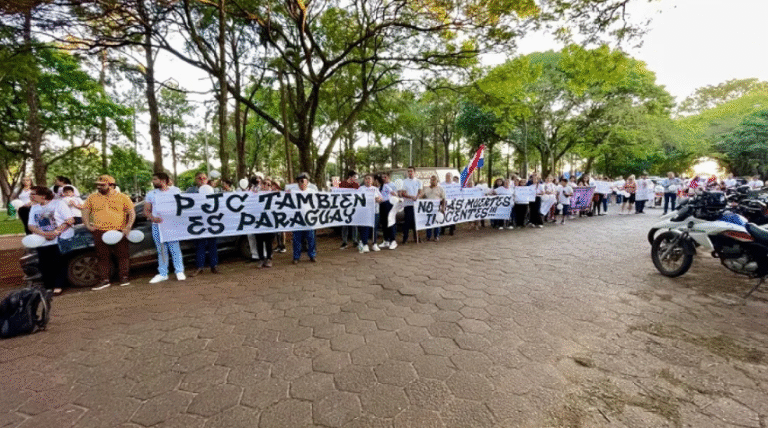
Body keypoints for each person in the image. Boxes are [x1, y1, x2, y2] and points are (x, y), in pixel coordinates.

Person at [82, 175, 136, 290]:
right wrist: (88, 225)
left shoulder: (123, 197)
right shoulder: (92, 197)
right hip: (100, 231)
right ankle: (104, 280)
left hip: (119, 230)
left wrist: (128, 227)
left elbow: (131, 213)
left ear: (111, 185)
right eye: (98, 185)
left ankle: (124, 277)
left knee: (123, 255)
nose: (99, 187)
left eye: (102, 185)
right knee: (102, 257)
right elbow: (85, 211)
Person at [27, 186, 74, 295]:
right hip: (42, 240)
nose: (30, 196)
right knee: (44, 264)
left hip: (59, 239)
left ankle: (59, 285)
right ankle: (48, 285)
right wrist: (44, 234)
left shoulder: (58, 204)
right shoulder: (34, 207)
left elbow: (70, 220)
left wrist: (55, 232)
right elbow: (31, 225)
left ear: (43, 196)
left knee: (58, 262)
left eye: (33, 194)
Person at [145, 173, 186, 284]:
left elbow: (182, 206)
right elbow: (146, 211)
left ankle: (179, 271)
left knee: (175, 248)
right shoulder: (151, 194)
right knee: (161, 250)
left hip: (172, 225)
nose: (153, 181)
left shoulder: (175, 191)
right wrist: (153, 218)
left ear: (163, 180)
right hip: (157, 226)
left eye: (155, 179)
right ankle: (163, 273)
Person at [187, 172, 219, 276]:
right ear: (195, 179)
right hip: (198, 222)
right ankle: (199, 267)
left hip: (211, 221)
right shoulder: (190, 191)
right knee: (199, 245)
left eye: (204, 178)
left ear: (207, 179)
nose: (202, 180)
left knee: (212, 244)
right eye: (199, 178)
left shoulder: (214, 190)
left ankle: (214, 266)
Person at [290, 172, 317, 263]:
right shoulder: (293, 192)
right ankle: (296, 257)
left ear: (307, 181)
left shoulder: (312, 192)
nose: (301, 183)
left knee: (311, 238)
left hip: (309, 219)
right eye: (300, 181)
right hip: (297, 219)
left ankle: (312, 255)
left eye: (303, 181)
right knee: (296, 239)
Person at [358, 174, 383, 252]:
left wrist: (378, 199)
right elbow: (358, 199)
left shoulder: (375, 189)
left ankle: (374, 243)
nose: (368, 180)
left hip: (375, 211)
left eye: (369, 179)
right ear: (364, 180)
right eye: (366, 179)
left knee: (374, 228)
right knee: (365, 228)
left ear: (372, 181)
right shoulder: (361, 189)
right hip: (365, 212)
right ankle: (364, 244)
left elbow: (381, 198)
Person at [399, 166, 423, 244]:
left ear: (414, 172)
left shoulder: (419, 181)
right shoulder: (404, 181)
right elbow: (403, 193)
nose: (410, 173)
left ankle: (417, 238)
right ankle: (405, 238)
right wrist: (411, 197)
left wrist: (417, 197)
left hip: (416, 205)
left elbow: (420, 192)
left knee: (416, 222)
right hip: (408, 205)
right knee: (407, 222)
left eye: (411, 171)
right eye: (408, 171)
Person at [339, 170, 360, 249]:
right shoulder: (342, 184)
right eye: (354, 177)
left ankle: (355, 241)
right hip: (344, 207)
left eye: (356, 177)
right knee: (345, 225)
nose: (355, 178)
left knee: (354, 225)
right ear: (350, 177)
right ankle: (344, 242)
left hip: (353, 207)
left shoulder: (356, 185)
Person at [421, 175, 446, 241]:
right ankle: (428, 236)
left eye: (434, 180)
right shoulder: (426, 189)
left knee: (436, 222)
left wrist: (443, 207)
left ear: (437, 181)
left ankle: (436, 236)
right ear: (430, 181)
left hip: (436, 208)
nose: (433, 181)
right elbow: (423, 197)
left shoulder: (440, 189)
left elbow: (443, 199)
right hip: (428, 208)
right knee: (428, 221)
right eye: (432, 180)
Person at [378, 173, 398, 250]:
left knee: (390, 222)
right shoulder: (380, 187)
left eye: (385, 177)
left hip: (388, 204)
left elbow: (394, 193)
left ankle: (393, 240)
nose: (383, 178)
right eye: (382, 177)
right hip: (382, 205)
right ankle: (386, 240)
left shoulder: (387, 186)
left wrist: (395, 198)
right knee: (384, 223)